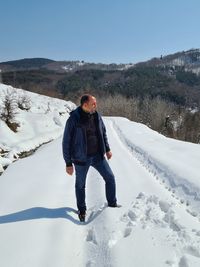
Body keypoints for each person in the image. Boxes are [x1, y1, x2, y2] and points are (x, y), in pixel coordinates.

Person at [62, 94, 118, 221]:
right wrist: (68, 163)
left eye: (95, 103)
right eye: (93, 103)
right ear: (85, 105)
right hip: (81, 159)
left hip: (98, 155)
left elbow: (103, 132)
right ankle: (82, 210)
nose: (96, 105)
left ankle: (112, 204)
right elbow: (66, 142)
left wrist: (107, 149)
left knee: (110, 178)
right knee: (80, 185)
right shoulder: (73, 119)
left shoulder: (96, 115)